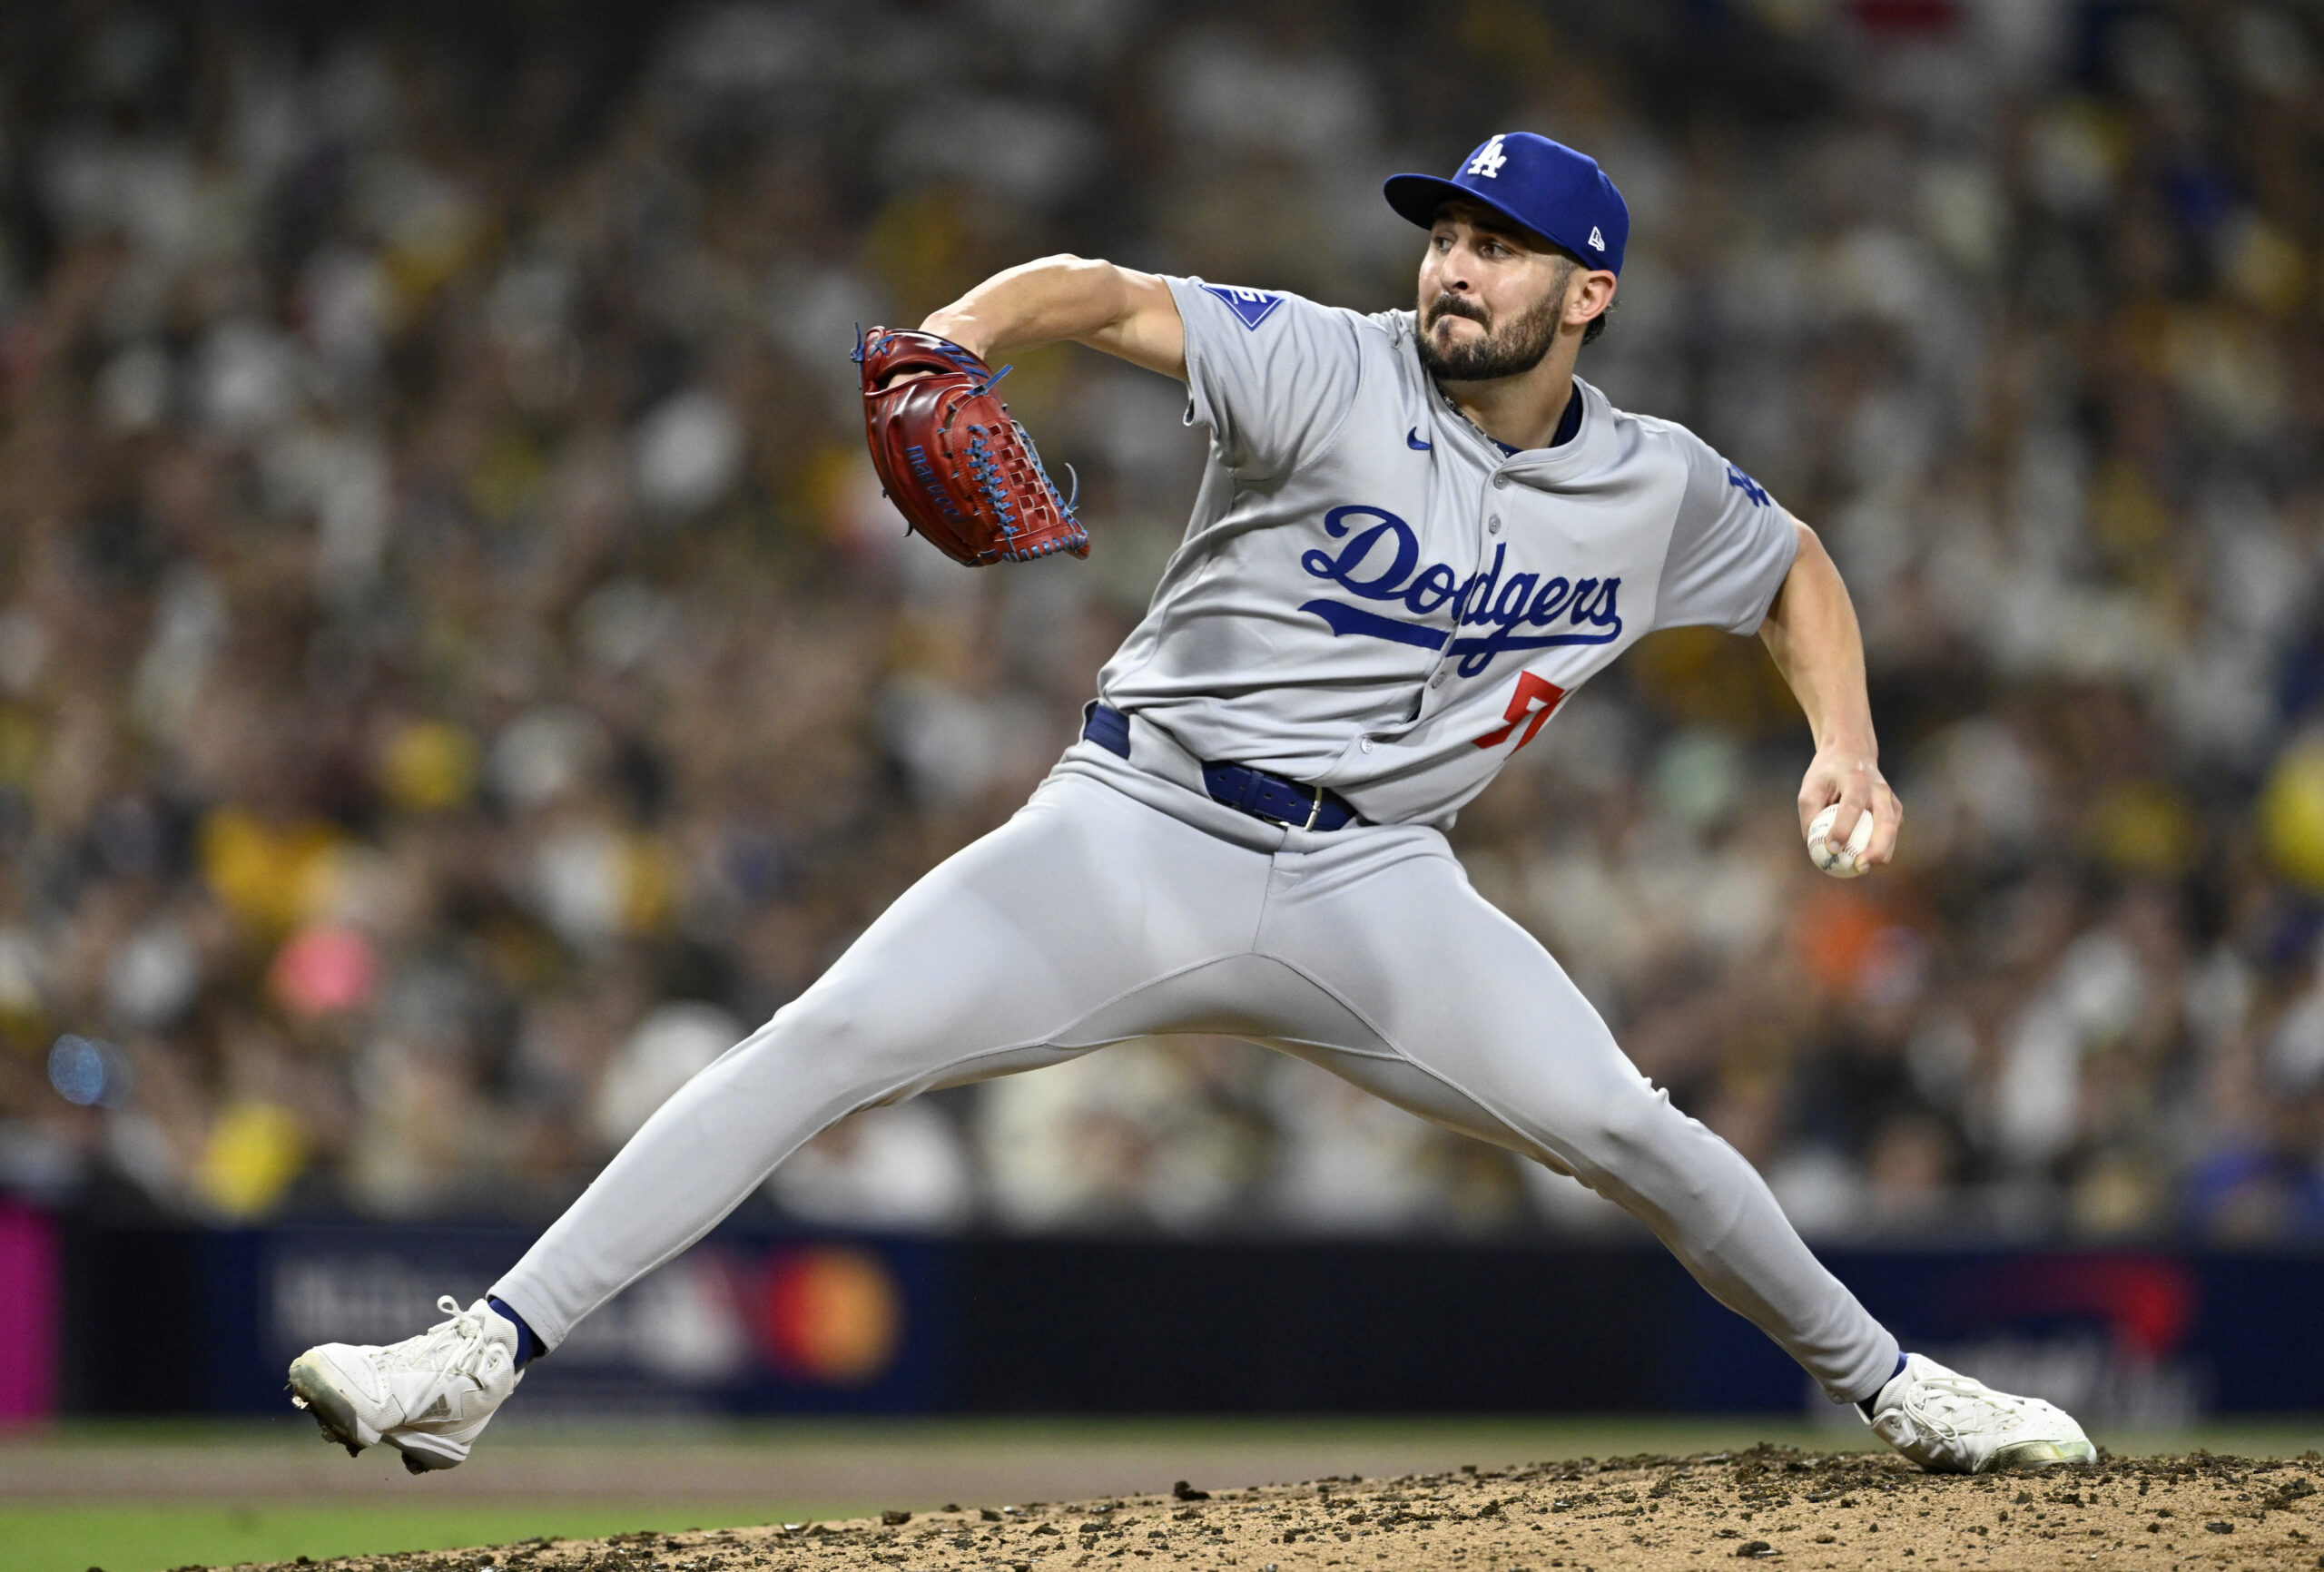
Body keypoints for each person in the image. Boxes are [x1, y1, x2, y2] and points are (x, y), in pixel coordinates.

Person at [288, 133, 2093, 1476]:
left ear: (1586, 294)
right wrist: (956, 333)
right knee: (823, 1034)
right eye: (1444, 236)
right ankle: (478, 1357)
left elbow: (1789, 571)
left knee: (1628, 1129)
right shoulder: (1325, 359)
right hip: (1135, 833)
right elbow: (1105, 292)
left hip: (1376, 884)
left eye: (1496, 247)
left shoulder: (1650, 482)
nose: (1451, 268)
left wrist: (1839, 742)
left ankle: (1897, 1387)